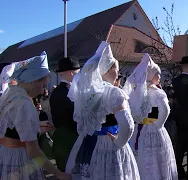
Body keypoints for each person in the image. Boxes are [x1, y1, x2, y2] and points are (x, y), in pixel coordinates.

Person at [65, 41, 140, 179]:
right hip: (109, 146)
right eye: (116, 69)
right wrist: (118, 142)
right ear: (109, 69)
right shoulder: (113, 92)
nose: (118, 74)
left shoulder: (87, 93)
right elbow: (127, 125)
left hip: (88, 146)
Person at [0, 52, 71, 179]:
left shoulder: (10, 93)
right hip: (20, 159)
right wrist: (58, 173)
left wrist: (36, 126)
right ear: (33, 80)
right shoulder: (25, 104)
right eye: (43, 85)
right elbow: (33, 150)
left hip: (5, 153)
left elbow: (11, 126)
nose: (43, 90)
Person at [123, 53, 177, 180]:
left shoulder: (137, 91)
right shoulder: (157, 91)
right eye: (157, 74)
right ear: (151, 75)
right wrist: (159, 124)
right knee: (156, 159)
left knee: (142, 159)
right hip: (153, 129)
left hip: (139, 129)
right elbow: (165, 110)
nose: (159, 77)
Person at [50, 56, 80, 171]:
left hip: (62, 137)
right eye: (78, 72)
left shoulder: (58, 91)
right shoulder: (67, 92)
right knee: (69, 171)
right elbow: (73, 117)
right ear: (71, 73)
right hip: (70, 138)